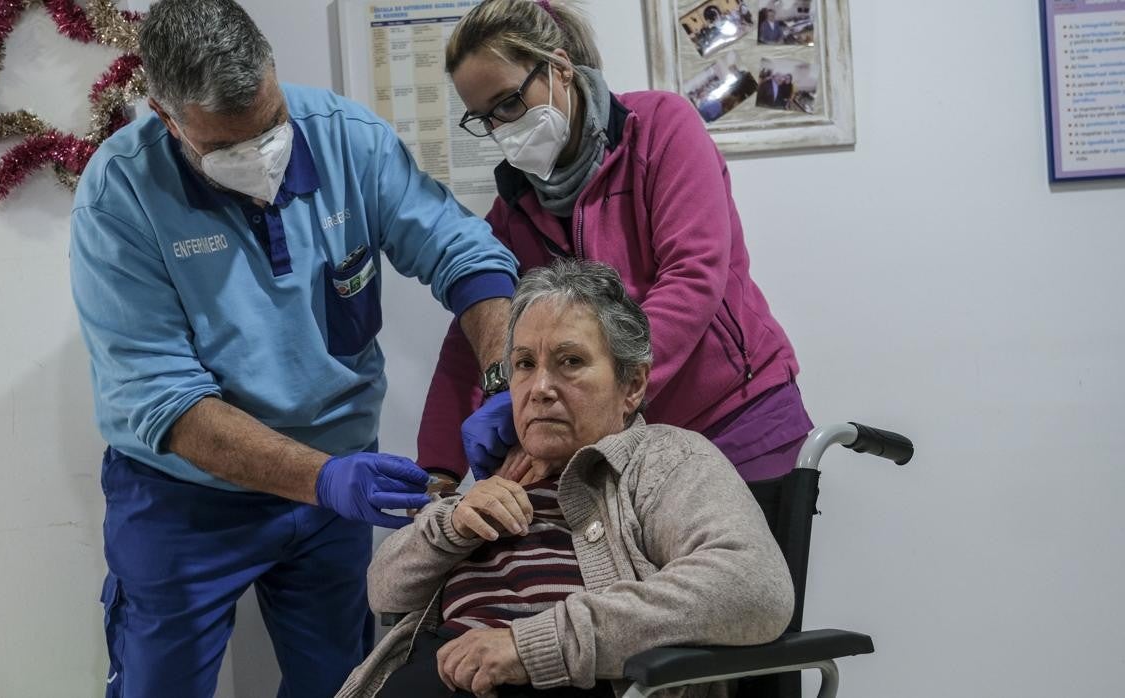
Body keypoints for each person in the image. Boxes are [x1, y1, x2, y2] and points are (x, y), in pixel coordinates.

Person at [69, 0, 518, 696]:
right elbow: (167, 402)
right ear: (165, 116)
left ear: (273, 74)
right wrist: (325, 477)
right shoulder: (119, 196)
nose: (261, 156)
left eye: (270, 125)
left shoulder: (347, 139)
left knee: (340, 682)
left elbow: (464, 254)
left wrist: (503, 375)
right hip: (185, 500)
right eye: (226, 147)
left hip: (332, 493)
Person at [337, 259, 794, 697]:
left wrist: (529, 646)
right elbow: (385, 590)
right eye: (524, 364)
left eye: (570, 361)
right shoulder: (497, 480)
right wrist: (452, 524)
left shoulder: (664, 457)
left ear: (631, 385)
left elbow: (755, 588)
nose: (539, 389)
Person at [418, 0, 812, 488]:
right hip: (625, 442)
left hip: (735, 419)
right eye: (484, 119)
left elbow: (693, 277)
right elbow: (474, 333)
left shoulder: (660, 129)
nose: (502, 129)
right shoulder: (515, 207)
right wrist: (436, 471)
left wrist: (595, 398)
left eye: (509, 103)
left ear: (559, 68)